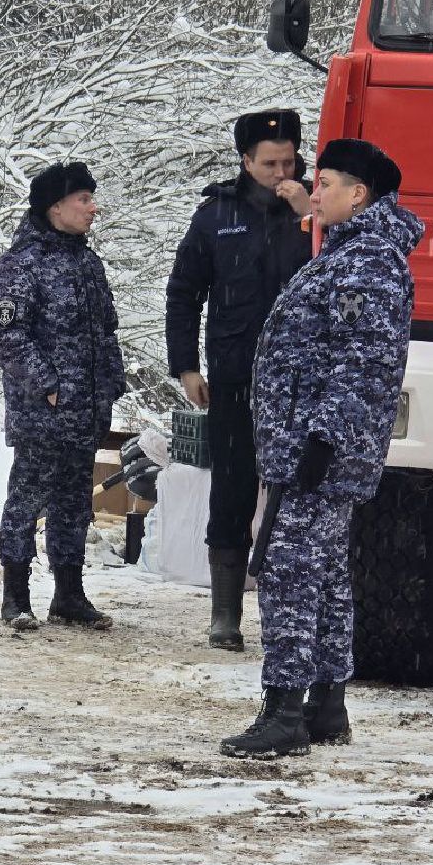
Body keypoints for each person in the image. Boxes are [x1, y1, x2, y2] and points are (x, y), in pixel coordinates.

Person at [220, 138, 424, 759]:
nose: (315, 193)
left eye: (326, 183)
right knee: (327, 571)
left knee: (289, 569)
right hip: (313, 442)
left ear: (358, 194)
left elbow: (363, 364)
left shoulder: (367, 261)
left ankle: (283, 711)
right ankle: (325, 705)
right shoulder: (349, 252)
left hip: (321, 447)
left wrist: (323, 439)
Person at [164, 109, 312, 650]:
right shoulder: (216, 216)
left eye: (288, 162)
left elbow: (346, 265)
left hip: (301, 382)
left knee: (301, 497)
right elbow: (184, 294)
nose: (280, 172)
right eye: (269, 163)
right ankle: (225, 614)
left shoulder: (318, 211)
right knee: (232, 491)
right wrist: (186, 366)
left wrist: (309, 217)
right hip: (235, 378)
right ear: (246, 162)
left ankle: (294, 616)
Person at [0, 161, 126, 632]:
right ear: (55, 207)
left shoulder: (88, 264)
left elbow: (105, 333)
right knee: (27, 500)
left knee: (74, 503)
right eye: (83, 199)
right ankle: (16, 595)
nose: (93, 208)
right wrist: (47, 385)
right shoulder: (22, 264)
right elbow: (5, 336)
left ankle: (69, 595)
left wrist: (111, 384)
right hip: (41, 414)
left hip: (86, 411)